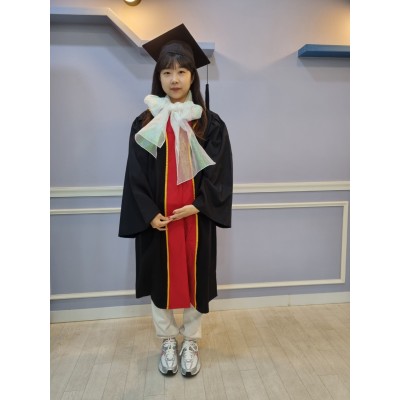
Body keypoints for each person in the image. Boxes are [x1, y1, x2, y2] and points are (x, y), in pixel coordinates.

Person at [119, 24, 233, 377]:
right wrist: (149, 213)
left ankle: (192, 340)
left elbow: (219, 172)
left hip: (195, 218)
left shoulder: (209, 124)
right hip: (161, 222)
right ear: (158, 77)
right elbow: (135, 174)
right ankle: (168, 340)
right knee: (160, 280)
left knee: (197, 279)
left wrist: (199, 205)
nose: (174, 79)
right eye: (167, 72)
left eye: (182, 71)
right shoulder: (145, 122)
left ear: (192, 76)